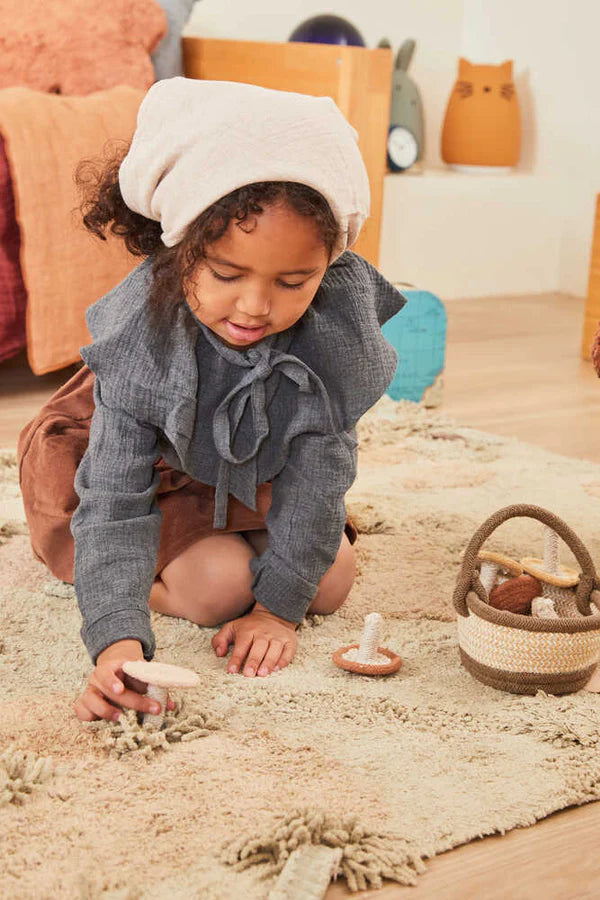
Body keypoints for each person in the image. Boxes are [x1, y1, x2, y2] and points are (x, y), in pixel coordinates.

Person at [17, 77, 407, 725]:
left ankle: (250, 560)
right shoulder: (143, 339)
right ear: (180, 250)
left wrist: (279, 611)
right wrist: (117, 640)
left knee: (329, 581)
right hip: (142, 462)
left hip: (244, 460)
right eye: (226, 274)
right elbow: (116, 500)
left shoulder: (334, 333)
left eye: (293, 280)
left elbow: (317, 486)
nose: (255, 307)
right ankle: (147, 577)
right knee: (217, 588)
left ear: (329, 267)